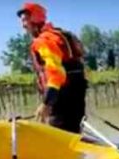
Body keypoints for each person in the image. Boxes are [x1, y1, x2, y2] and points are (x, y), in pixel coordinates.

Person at [17, 2, 88, 133]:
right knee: (73, 133)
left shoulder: (44, 41)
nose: (23, 26)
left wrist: (46, 104)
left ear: (35, 18)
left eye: (25, 20)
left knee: (62, 136)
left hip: (62, 101)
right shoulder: (57, 35)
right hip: (76, 95)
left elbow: (57, 74)